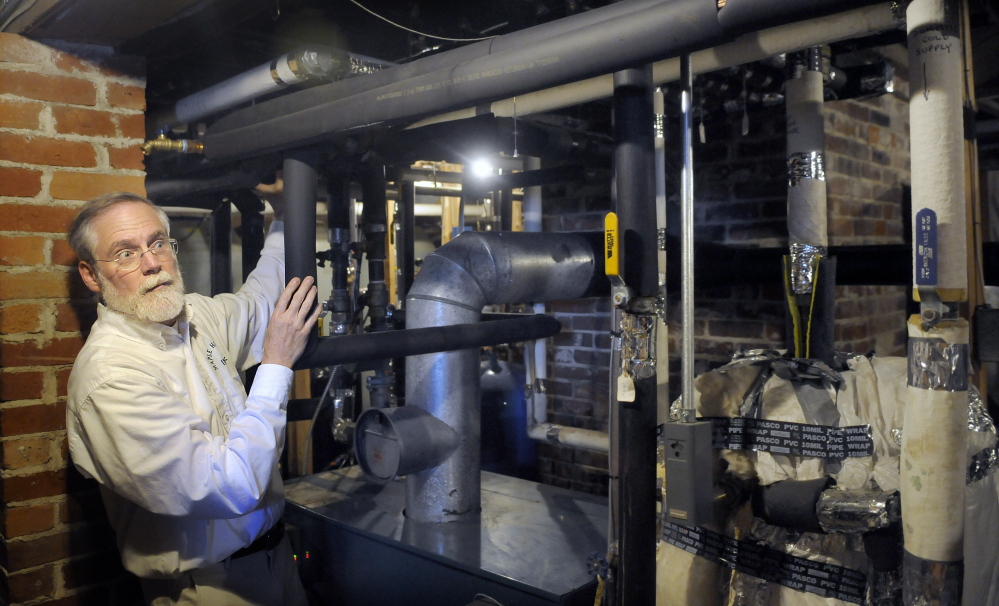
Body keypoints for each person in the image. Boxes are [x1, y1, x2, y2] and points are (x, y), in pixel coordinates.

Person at [66, 191, 320, 605]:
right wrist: (276, 364)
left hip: (277, 560)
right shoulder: (110, 378)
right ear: (92, 275)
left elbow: (262, 296)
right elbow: (229, 486)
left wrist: (286, 218)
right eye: (125, 253)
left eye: (158, 243)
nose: (152, 263)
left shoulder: (196, 317)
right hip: (208, 587)